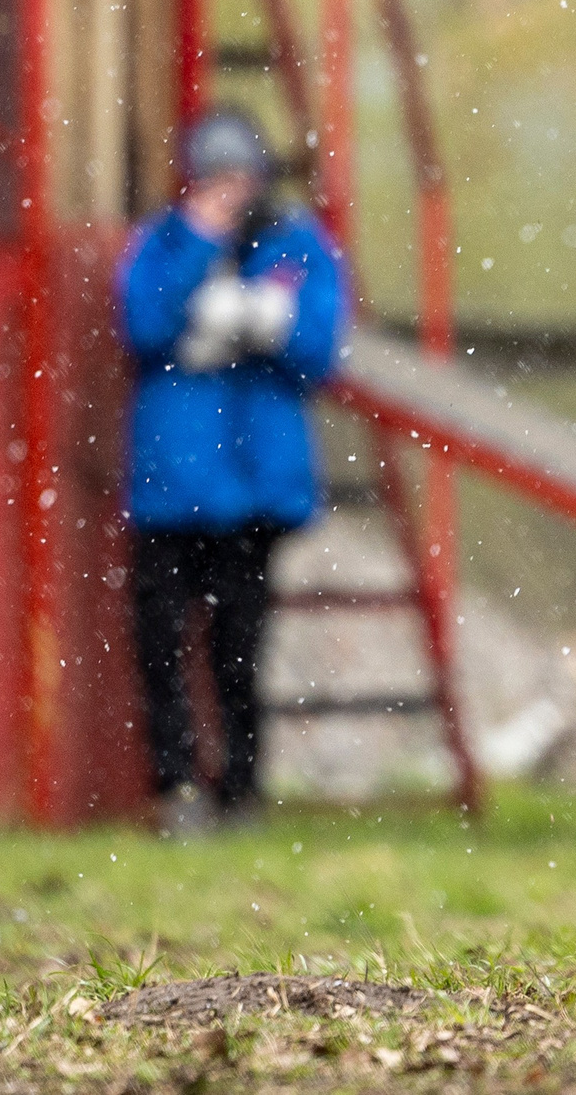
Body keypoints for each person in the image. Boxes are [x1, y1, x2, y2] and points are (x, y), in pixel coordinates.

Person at [114, 108, 347, 833]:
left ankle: (241, 790)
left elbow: (316, 348)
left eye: (239, 178)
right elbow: (145, 325)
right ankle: (177, 787)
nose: (228, 192)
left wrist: (261, 322)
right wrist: (199, 252)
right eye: (214, 180)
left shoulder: (294, 242)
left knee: (238, 649)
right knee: (161, 643)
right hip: (171, 487)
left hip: (253, 487)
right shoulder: (163, 241)